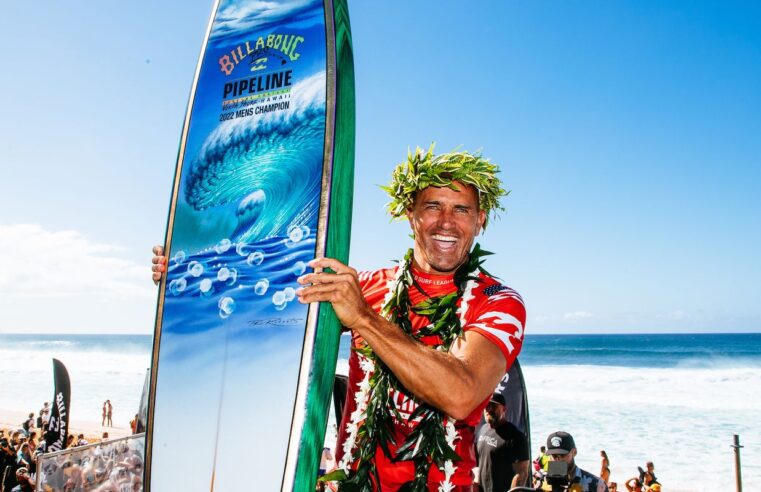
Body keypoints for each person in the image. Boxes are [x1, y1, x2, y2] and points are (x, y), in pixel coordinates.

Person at [152, 147, 526, 491]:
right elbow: (263, 306)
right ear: (411, 215)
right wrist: (187, 271)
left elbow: (461, 394)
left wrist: (364, 319)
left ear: (480, 220)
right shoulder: (365, 288)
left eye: (461, 210)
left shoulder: (498, 303)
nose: (446, 222)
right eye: (432, 206)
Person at [474, 393, 529, 491]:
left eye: (494, 405)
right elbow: (479, 464)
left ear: (504, 409)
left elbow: (522, 472)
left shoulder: (516, 436)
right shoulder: (482, 429)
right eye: (486, 405)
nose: (489, 409)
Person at [539, 431, 608, 492]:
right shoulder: (543, 482)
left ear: (574, 452)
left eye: (563, 455)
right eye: (554, 456)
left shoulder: (596, 484)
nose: (558, 460)